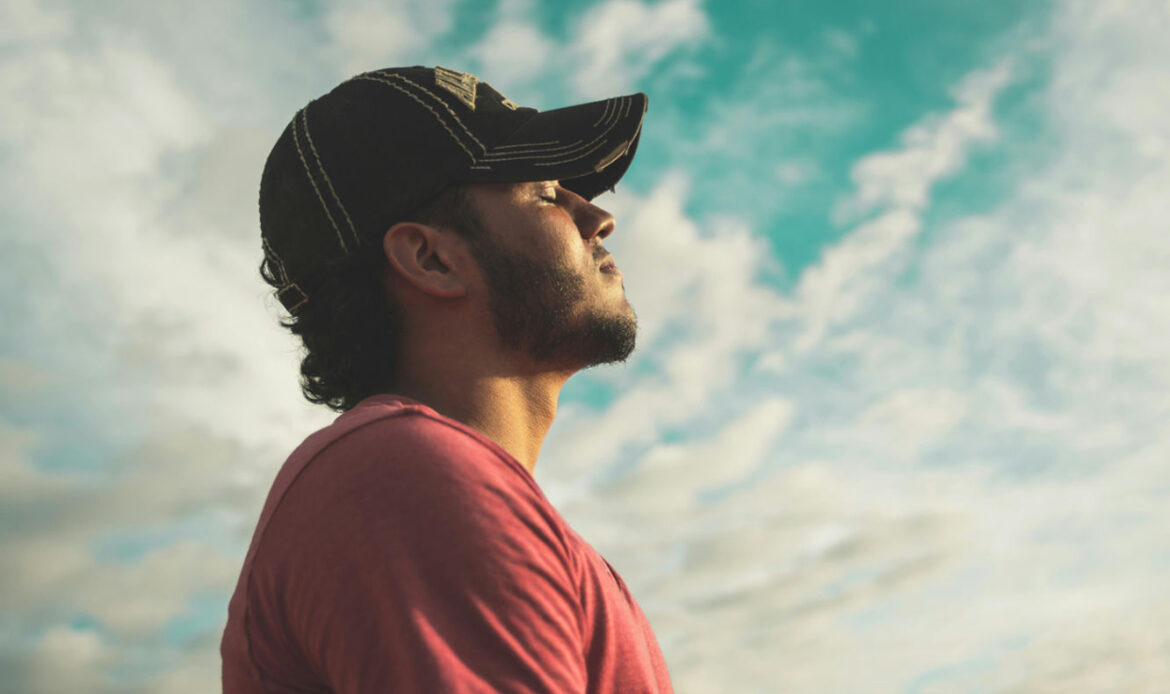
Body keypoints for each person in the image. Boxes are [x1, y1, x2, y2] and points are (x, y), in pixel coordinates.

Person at [220, 65, 673, 693]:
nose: (595, 217)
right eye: (545, 194)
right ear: (431, 259)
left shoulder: (431, 485)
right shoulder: (403, 475)